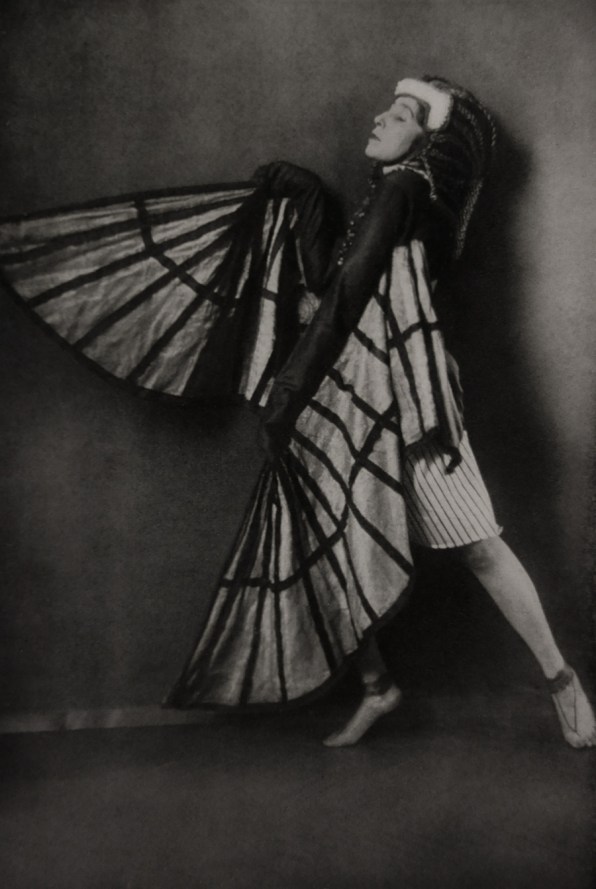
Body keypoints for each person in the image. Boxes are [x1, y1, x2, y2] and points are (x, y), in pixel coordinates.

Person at [1, 75, 593, 749]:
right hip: (352, 392)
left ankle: (561, 680)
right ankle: (379, 688)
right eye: (387, 108)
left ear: (424, 143)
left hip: (405, 395)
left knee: (477, 543)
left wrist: (287, 391)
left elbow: (343, 299)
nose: (381, 117)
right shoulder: (391, 192)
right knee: (322, 541)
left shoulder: (405, 189)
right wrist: (308, 200)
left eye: (401, 115)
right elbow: (333, 283)